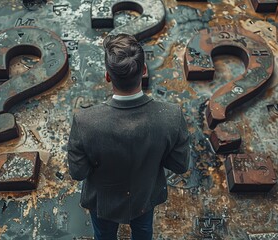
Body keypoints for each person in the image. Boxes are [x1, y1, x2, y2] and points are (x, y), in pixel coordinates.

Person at [67, 34, 190, 240]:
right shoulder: (171, 116)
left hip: (104, 202)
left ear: (108, 76)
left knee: (104, 235)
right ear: (143, 71)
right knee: (143, 233)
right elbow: (179, 165)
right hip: (145, 197)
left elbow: (78, 172)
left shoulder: (85, 121)